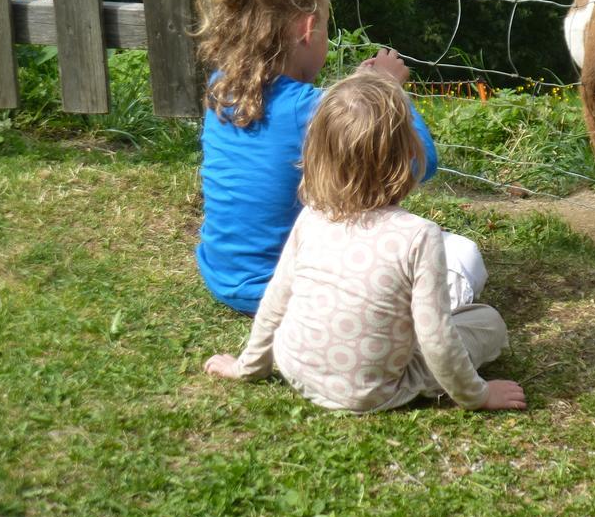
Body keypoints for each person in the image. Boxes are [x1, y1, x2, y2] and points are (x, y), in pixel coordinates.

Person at [194, 0, 489, 316]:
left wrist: (358, 97)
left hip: (223, 276)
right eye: (326, 27)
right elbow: (421, 163)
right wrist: (385, 92)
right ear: (308, 28)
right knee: (462, 256)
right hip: (293, 292)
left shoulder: (222, 86)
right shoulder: (312, 110)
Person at [204, 71, 526, 412]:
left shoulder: (312, 215)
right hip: (372, 391)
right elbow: (437, 340)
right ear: (408, 153)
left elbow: (275, 302)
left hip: (295, 368)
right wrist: (478, 395)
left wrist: (246, 367)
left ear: (317, 155)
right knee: (486, 320)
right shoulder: (419, 235)